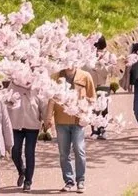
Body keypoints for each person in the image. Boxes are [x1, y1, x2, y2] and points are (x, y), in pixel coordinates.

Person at [50, 65, 95, 193]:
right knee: (64, 153)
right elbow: (50, 100)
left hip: (78, 120)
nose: (69, 64)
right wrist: (48, 118)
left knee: (79, 150)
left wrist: (85, 111)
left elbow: (93, 98)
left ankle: (81, 180)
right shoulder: (56, 76)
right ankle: (69, 180)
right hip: (61, 120)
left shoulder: (85, 76)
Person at [5, 84, 41, 192]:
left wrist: (46, 118)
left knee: (29, 152)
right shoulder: (14, 83)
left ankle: (28, 181)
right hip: (16, 122)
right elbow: (6, 99)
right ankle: (22, 171)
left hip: (32, 122)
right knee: (15, 150)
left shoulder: (37, 83)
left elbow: (43, 101)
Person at [83, 37, 114, 139]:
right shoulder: (88, 54)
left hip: (103, 84)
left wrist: (98, 64)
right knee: (92, 107)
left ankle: (103, 129)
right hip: (91, 84)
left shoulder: (108, 55)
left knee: (104, 108)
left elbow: (107, 71)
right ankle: (94, 130)